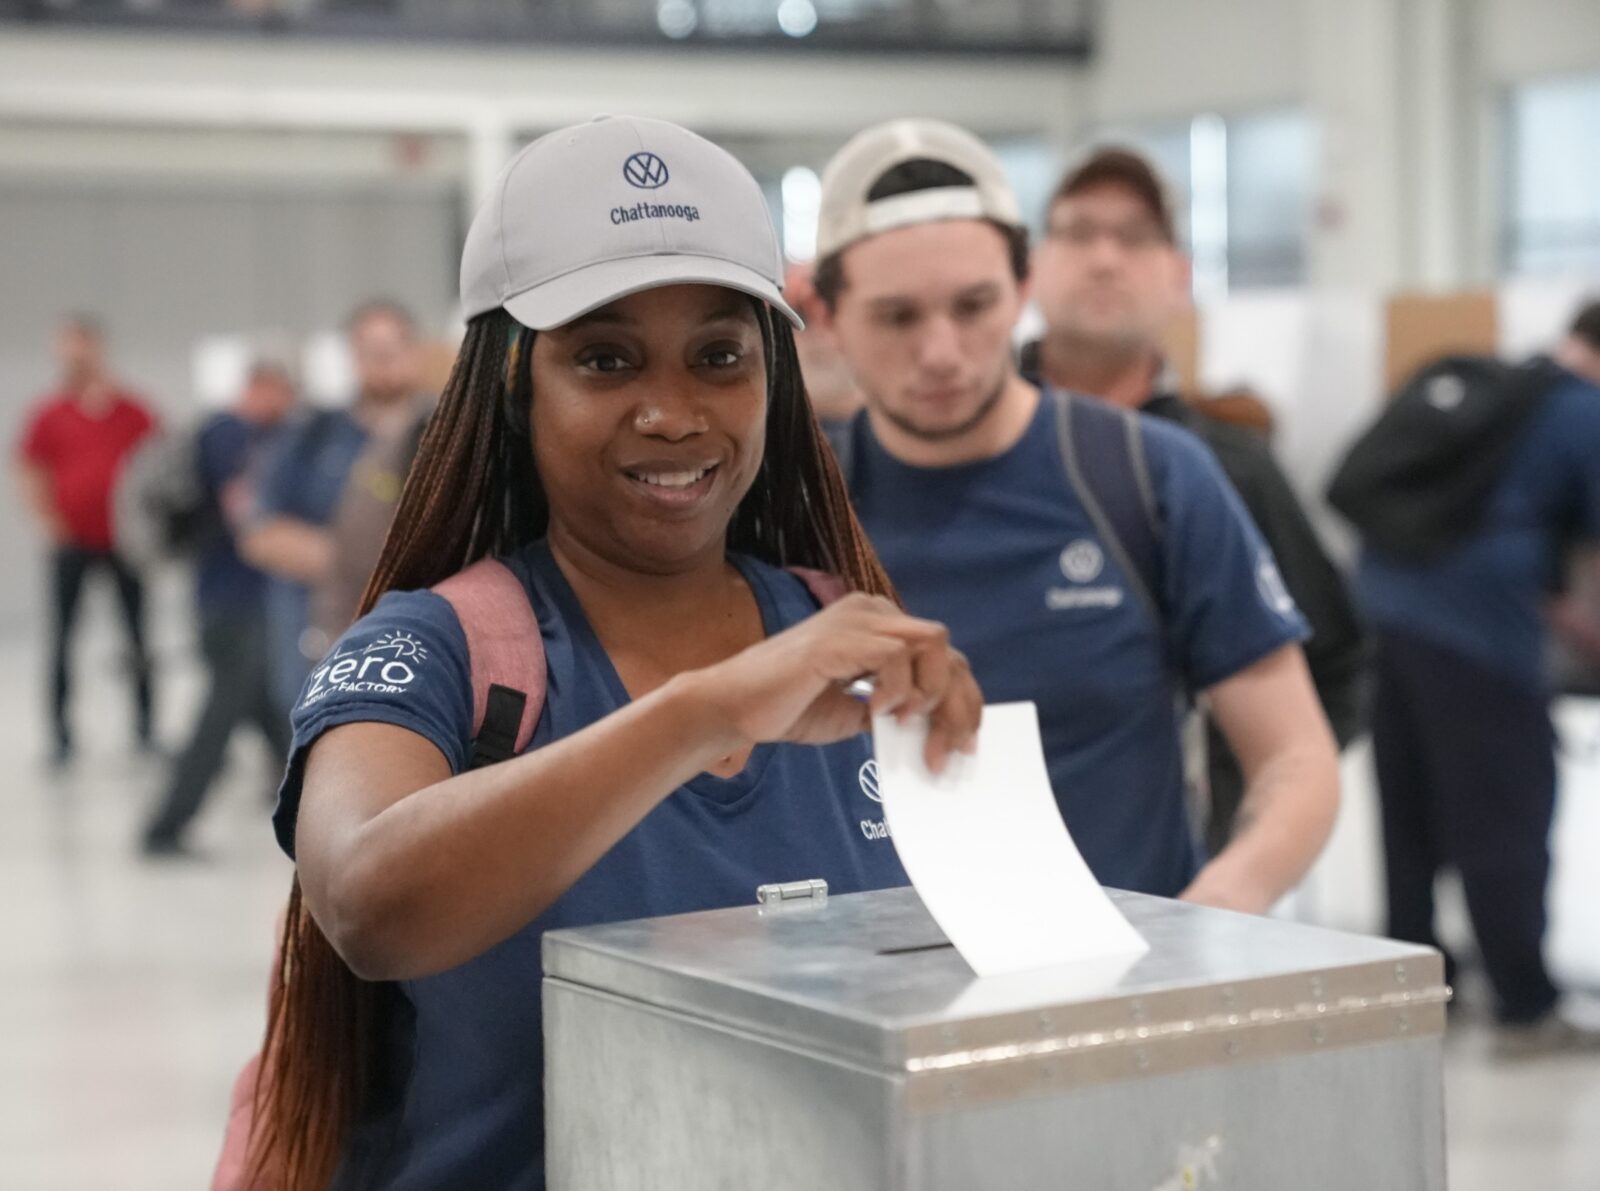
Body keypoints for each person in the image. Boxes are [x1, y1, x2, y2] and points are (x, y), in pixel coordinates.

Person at [245, 115, 980, 1190]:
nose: (674, 413)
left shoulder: (842, 641)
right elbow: (365, 901)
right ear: (512, 387)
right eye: (604, 358)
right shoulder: (439, 652)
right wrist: (701, 715)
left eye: (719, 357)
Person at [813, 118, 1339, 909]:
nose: (943, 352)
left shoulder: (1149, 477)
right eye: (898, 317)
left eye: (974, 305)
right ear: (832, 318)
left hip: (1121, 991)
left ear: (1023, 289)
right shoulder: (800, 510)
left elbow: (1296, 758)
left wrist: (1208, 919)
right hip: (874, 993)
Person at [1024, 146, 1369, 856]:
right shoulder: (956, 449)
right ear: (1032, 268)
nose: (1105, 258)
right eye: (1080, 232)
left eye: (1135, 236)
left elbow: (1336, 662)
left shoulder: (1225, 467)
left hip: (1172, 896)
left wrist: (1239, 824)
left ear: (1178, 276)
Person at [1354, 299, 1600, 1054]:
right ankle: (1525, 1006)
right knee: (1508, 820)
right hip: (1481, 637)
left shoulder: (1494, 389)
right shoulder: (1579, 411)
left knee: (1410, 818)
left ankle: (1419, 989)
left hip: (1387, 617)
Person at [140, 361, 299, 858]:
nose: (285, 407)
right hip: (232, 602)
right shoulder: (230, 432)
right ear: (258, 387)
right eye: (281, 394)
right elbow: (243, 508)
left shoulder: (247, 433)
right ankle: (166, 826)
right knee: (221, 716)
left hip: (242, 598)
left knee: (270, 709)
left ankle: (302, 798)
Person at [241, 300, 429, 716]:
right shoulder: (313, 436)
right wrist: (356, 565)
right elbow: (260, 531)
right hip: (323, 642)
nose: (383, 360)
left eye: (392, 346)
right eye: (370, 349)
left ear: (413, 351)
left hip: (421, 637)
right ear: (351, 355)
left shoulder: (444, 432)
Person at [15, 314, 159, 765]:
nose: (73, 358)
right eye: (65, 350)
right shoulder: (49, 414)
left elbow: (159, 466)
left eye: (81, 347)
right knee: (63, 638)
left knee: (137, 636)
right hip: (72, 542)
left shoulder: (132, 411)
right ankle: (60, 736)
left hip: (125, 543)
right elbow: (29, 468)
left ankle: (145, 729)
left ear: (98, 349)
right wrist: (46, 519)